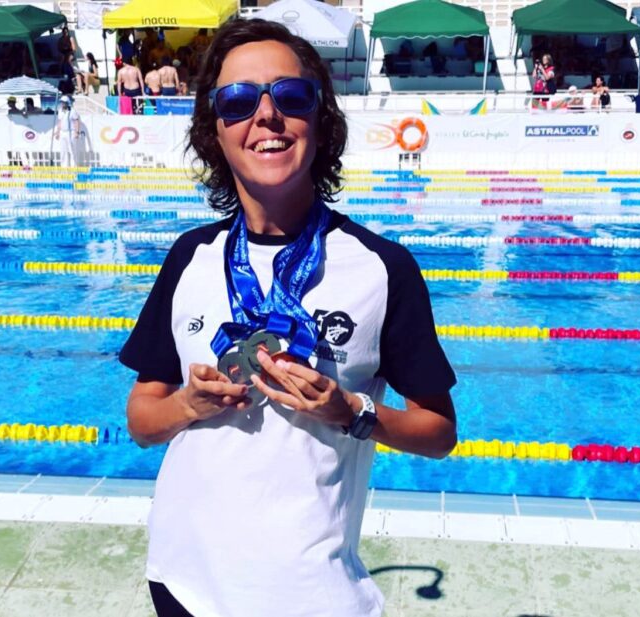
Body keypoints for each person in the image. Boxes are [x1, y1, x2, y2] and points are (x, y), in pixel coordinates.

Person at [119, 18, 457, 617]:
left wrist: (350, 413)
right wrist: (189, 406)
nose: (267, 116)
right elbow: (144, 421)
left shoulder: (382, 268)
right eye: (239, 101)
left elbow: (439, 433)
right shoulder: (189, 258)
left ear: (320, 123)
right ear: (214, 131)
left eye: (291, 96)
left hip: (311, 596)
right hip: (182, 579)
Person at [54, 95, 80, 167]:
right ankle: (64, 167)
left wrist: (77, 132)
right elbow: (59, 121)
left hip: (71, 132)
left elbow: (76, 121)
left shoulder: (72, 111)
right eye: (61, 102)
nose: (62, 104)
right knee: (63, 151)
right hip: (63, 132)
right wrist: (58, 132)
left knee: (72, 151)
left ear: (67, 103)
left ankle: (74, 168)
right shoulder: (60, 111)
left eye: (64, 102)